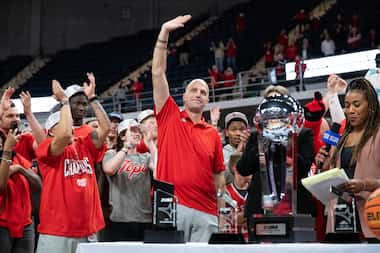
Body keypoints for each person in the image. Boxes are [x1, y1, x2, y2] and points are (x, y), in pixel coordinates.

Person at [152, 15, 225, 242]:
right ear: (183, 96)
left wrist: (220, 206)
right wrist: (164, 34)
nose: (199, 94)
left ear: (207, 100)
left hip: (207, 211)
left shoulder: (212, 132)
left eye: (204, 92)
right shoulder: (169, 115)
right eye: (194, 90)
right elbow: (157, 73)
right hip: (172, 207)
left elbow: (218, 173)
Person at [35, 80, 110, 253]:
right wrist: (63, 101)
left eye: (84, 105)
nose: (82, 108)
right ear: (51, 131)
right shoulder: (45, 147)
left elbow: (105, 129)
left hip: (89, 228)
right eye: (61, 124)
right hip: (58, 231)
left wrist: (93, 99)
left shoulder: (84, 141)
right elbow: (65, 134)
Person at [237, 85, 315, 234]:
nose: (274, 110)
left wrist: (286, 142)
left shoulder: (303, 134)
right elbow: (243, 169)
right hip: (260, 207)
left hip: (295, 205)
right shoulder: (256, 136)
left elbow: (304, 168)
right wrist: (262, 144)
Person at [315, 78, 380, 239]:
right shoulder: (342, 138)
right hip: (340, 219)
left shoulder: (378, 134)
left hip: (372, 220)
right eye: (347, 105)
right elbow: (334, 174)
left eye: (356, 105)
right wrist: (323, 164)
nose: (350, 110)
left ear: (371, 106)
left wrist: (365, 185)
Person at [102, 119, 156, 241]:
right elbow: (109, 169)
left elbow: (159, 174)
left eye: (138, 131)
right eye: (132, 131)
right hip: (120, 219)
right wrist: (126, 147)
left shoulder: (146, 157)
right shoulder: (112, 154)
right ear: (122, 136)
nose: (137, 134)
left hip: (145, 218)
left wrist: (150, 144)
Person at [0, 126, 42, 253]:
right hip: (2, 225)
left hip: (25, 224)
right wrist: (7, 150)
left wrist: (20, 169)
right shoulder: (8, 155)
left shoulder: (16, 158)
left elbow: (38, 185)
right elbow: (1, 185)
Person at [222, 112, 249, 183]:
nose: (238, 133)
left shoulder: (254, 150)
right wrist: (238, 150)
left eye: (242, 129)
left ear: (247, 131)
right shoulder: (222, 153)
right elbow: (223, 177)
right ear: (226, 132)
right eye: (233, 129)